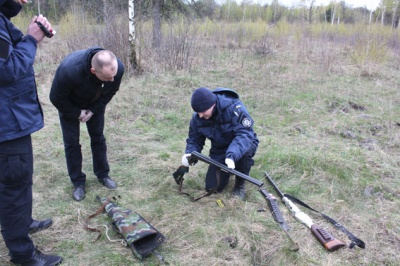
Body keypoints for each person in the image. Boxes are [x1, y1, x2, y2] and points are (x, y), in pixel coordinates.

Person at [0, 0, 63, 265]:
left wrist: (31, 35)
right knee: (14, 186)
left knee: (18, 181)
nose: (24, 1)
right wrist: (32, 39)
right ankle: (23, 255)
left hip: (10, 121)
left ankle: (23, 222)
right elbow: (7, 69)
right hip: (6, 125)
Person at [50, 47, 124, 201]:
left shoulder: (116, 68)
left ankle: (103, 174)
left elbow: (110, 91)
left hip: (94, 104)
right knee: (72, 143)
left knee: (98, 138)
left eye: (113, 76)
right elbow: (56, 98)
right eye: (107, 78)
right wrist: (77, 113)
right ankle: (78, 182)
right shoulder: (69, 71)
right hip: (69, 105)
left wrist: (93, 110)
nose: (112, 80)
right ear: (93, 71)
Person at [182, 87, 259, 200]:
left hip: (243, 145)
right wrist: (190, 154)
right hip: (220, 149)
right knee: (212, 188)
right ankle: (227, 170)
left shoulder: (235, 109)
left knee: (244, 153)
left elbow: (244, 135)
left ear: (212, 105)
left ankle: (239, 183)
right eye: (197, 112)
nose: (200, 116)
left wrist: (232, 155)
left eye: (203, 112)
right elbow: (195, 139)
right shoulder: (197, 118)